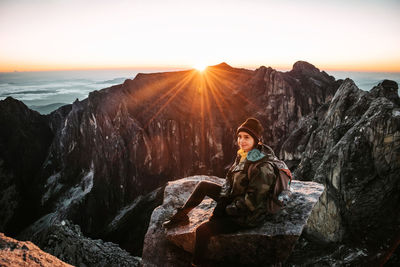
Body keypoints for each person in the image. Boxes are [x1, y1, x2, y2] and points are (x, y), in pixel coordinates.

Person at [163, 117, 278, 266]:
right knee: (204, 185)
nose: (241, 141)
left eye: (247, 137)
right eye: (240, 137)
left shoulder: (262, 166)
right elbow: (229, 182)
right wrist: (223, 199)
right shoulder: (243, 155)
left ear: (257, 140)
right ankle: (182, 215)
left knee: (202, 230)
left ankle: (197, 264)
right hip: (234, 199)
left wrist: (226, 210)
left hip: (248, 215)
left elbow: (253, 202)